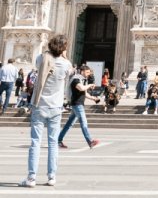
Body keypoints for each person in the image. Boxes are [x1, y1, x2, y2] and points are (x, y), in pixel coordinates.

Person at [19, 35, 72, 188]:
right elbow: (71, 73)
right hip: (55, 107)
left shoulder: (41, 59)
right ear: (63, 48)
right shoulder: (66, 64)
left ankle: (31, 178)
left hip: (39, 106)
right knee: (53, 143)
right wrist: (64, 56)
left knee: (35, 142)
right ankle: (51, 176)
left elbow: (37, 65)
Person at [58, 65, 101, 149]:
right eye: (87, 72)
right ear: (82, 71)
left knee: (69, 124)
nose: (88, 74)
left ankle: (58, 140)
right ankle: (90, 141)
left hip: (78, 104)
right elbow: (81, 88)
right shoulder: (76, 79)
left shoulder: (82, 80)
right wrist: (90, 85)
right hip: (77, 104)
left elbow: (84, 93)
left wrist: (93, 98)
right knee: (83, 123)